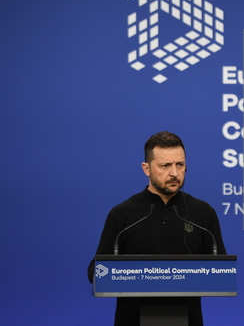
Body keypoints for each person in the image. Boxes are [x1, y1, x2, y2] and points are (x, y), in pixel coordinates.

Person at [88, 131, 226, 326]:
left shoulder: (203, 213)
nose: (174, 173)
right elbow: (96, 269)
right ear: (146, 168)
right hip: (132, 320)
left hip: (188, 320)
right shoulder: (123, 214)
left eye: (180, 165)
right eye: (165, 166)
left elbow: (220, 270)